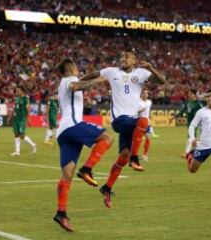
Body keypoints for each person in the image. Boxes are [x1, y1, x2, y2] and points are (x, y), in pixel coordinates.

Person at [81, 48, 166, 208]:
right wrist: (79, 80)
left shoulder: (141, 73)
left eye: (127, 56)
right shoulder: (112, 71)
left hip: (130, 122)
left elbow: (162, 81)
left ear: (134, 60)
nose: (123, 58)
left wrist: (151, 69)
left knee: (123, 156)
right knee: (143, 121)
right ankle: (135, 159)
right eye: (121, 56)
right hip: (119, 119)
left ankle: (104, 185)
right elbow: (94, 74)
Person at [53, 58, 114, 232]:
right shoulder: (70, 81)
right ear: (71, 68)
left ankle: (61, 213)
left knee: (67, 175)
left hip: (63, 133)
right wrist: (98, 80)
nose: (78, 69)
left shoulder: (62, 83)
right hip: (73, 126)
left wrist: (90, 80)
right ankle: (87, 169)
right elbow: (76, 86)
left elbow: (78, 86)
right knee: (107, 138)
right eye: (76, 66)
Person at [7, 86, 36, 156]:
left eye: (18, 91)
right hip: (16, 119)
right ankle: (17, 151)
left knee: (22, 135)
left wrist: (28, 119)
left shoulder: (26, 99)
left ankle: (33, 144)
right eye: (16, 91)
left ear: (22, 91)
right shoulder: (17, 98)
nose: (17, 92)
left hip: (22, 119)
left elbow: (28, 109)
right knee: (16, 135)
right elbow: (14, 108)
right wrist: (9, 117)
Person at [175, 89, 203, 157]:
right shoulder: (188, 102)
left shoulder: (198, 104)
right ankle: (196, 151)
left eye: (190, 94)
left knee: (190, 136)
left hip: (195, 123)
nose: (189, 95)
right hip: (189, 122)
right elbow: (182, 111)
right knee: (194, 137)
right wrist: (175, 117)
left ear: (194, 94)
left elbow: (203, 112)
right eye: (189, 93)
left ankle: (186, 153)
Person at [138, 89, 156, 162]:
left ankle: (144, 155)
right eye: (144, 93)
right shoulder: (138, 102)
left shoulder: (149, 102)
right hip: (139, 122)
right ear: (141, 94)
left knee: (148, 138)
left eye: (147, 93)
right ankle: (133, 154)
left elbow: (147, 112)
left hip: (147, 123)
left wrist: (149, 120)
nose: (145, 94)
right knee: (137, 140)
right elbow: (134, 111)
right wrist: (140, 111)